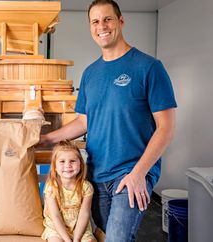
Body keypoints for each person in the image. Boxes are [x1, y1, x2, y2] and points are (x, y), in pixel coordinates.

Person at [39, 0, 177, 241]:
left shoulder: (149, 67)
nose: (101, 26)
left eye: (107, 19)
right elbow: (84, 122)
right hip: (96, 174)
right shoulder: (90, 73)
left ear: (120, 21)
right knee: (103, 236)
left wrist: (138, 174)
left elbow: (166, 128)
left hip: (130, 173)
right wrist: (45, 139)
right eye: (95, 21)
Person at [42, 140, 96, 242]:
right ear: (55, 167)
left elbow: (84, 214)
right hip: (56, 229)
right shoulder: (52, 187)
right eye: (62, 161)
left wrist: (76, 240)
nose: (68, 165)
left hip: (80, 228)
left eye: (72, 161)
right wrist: (67, 240)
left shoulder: (86, 187)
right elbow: (55, 216)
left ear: (80, 164)